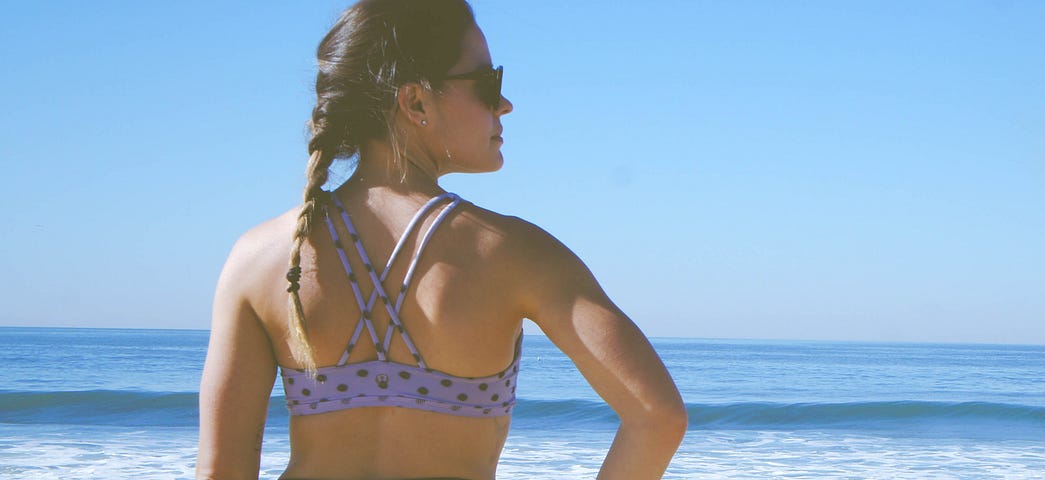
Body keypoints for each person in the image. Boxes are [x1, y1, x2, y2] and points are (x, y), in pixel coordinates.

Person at [197, 1, 687, 478]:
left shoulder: (259, 259)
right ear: (415, 101)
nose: (505, 103)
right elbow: (658, 416)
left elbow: (221, 471)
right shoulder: (515, 253)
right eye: (487, 83)